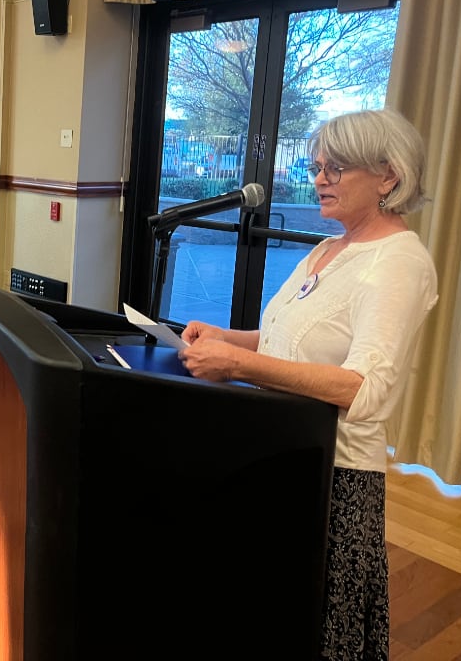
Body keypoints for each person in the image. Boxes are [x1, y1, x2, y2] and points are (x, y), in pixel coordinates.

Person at [176, 109, 438, 661]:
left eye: (336, 169)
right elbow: (282, 340)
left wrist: (239, 366)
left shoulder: (398, 265)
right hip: (280, 455)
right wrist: (229, 339)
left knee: (318, 631)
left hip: (333, 478)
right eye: (318, 166)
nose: (318, 179)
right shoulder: (329, 249)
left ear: (388, 176)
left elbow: (364, 391)